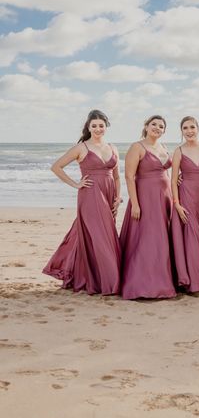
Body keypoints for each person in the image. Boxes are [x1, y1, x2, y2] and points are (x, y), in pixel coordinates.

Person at [43, 109, 121, 295]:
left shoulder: (113, 147)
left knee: (104, 236)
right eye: (94, 126)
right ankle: (111, 282)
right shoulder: (81, 148)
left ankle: (95, 277)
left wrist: (118, 197)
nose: (98, 129)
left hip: (109, 195)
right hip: (90, 195)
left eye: (101, 125)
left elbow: (117, 177)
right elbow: (56, 167)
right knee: (101, 237)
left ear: (106, 127)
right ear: (88, 127)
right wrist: (76, 184)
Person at [120, 115, 176, 300]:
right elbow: (129, 176)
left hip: (165, 197)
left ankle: (164, 280)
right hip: (145, 198)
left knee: (163, 239)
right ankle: (142, 284)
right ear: (146, 126)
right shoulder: (137, 147)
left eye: (161, 126)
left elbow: (166, 170)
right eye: (154, 124)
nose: (157, 128)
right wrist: (135, 203)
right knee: (148, 239)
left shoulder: (163, 147)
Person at [170, 116, 199, 294]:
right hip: (186, 196)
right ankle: (195, 283)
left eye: (192, 127)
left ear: (198, 128)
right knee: (192, 237)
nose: (189, 131)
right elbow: (172, 180)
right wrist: (177, 204)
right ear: (182, 131)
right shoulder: (179, 151)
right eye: (185, 128)